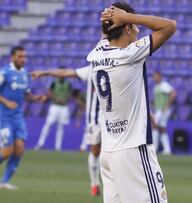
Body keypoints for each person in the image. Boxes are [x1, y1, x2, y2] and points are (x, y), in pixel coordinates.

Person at [88, 2, 176, 202]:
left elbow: (106, 36)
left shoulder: (96, 54)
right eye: (135, 27)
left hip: (109, 151)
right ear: (126, 27)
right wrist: (128, 17)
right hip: (133, 150)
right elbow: (169, 26)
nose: (138, 31)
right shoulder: (129, 55)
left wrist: (110, 18)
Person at [31, 65, 102, 196]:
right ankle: (94, 185)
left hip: (116, 119)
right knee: (95, 150)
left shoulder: (120, 64)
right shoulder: (94, 68)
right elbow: (67, 72)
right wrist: (45, 72)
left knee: (113, 154)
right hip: (95, 119)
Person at [0, 46, 47, 190]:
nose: (23, 59)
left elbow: (26, 93)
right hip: (4, 117)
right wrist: (6, 101)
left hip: (18, 117)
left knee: (19, 149)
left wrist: (35, 97)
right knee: (7, 151)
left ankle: (4, 182)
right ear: (12, 57)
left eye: (24, 56)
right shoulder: (4, 73)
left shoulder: (25, 74)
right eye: (20, 56)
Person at [35, 66, 72, 151]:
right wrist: (56, 99)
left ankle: (58, 147)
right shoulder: (54, 82)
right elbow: (49, 92)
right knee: (48, 124)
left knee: (61, 127)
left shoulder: (68, 83)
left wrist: (65, 99)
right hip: (54, 106)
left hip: (64, 107)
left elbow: (70, 93)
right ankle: (40, 144)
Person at [152, 70, 176, 154]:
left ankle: (154, 147)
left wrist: (167, 105)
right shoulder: (156, 87)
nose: (154, 78)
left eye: (155, 76)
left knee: (155, 126)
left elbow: (173, 93)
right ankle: (166, 149)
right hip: (158, 109)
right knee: (161, 128)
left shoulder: (164, 85)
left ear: (159, 76)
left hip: (163, 110)